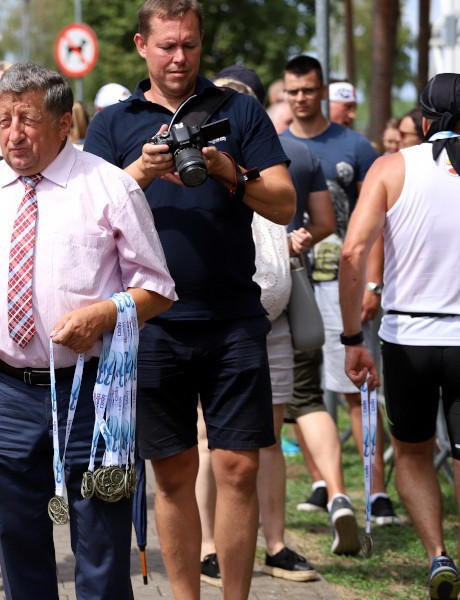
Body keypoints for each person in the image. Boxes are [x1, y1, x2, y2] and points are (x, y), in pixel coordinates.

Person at [0, 61, 176, 600]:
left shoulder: (109, 187)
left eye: (29, 120)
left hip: (92, 389)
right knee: (18, 540)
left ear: (64, 124)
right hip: (2, 390)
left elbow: (157, 288)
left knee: (102, 548)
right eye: (4, 119)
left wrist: (104, 315)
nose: (14, 134)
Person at [84, 1, 295, 596]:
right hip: (151, 326)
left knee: (238, 467)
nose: (180, 58)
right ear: (141, 46)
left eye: (191, 46)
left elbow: (283, 204)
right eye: (168, 46)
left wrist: (230, 172)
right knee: (173, 474)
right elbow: (85, 221)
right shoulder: (114, 122)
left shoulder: (239, 110)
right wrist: (141, 172)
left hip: (232, 319)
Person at [339, 72, 460, 600]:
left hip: (407, 334)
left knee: (412, 453)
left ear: (424, 119)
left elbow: (351, 252)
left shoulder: (390, 167)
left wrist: (349, 337)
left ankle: (437, 554)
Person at [195, 71, 318, 584]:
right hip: (216, 324)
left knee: (267, 438)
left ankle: (276, 544)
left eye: (242, 109)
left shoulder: (266, 169)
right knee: (208, 441)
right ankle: (208, 547)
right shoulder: (197, 171)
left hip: (271, 324)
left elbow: (280, 218)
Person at [281, 55, 399, 527]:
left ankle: (376, 492)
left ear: (322, 91)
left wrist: (373, 281)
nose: (301, 98)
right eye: (293, 91)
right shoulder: (276, 145)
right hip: (298, 285)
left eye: (309, 90)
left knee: (358, 388)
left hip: (345, 286)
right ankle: (324, 486)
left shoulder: (354, 145)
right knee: (305, 395)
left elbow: (381, 223)